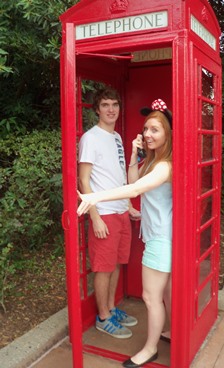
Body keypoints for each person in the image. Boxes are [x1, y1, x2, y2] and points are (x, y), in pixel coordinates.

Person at [77, 99, 173, 368]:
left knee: (151, 297)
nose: (148, 134)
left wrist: (92, 198)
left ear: (167, 134)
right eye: (146, 129)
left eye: (155, 129)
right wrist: (134, 154)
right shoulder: (155, 161)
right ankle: (172, 331)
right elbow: (132, 180)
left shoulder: (165, 165)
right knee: (164, 292)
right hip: (157, 234)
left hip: (160, 238)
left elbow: (132, 190)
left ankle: (150, 349)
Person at [78, 86, 140, 339]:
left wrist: (127, 204)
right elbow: (84, 180)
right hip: (103, 213)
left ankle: (112, 308)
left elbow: (116, 176)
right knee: (103, 267)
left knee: (116, 264)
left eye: (115, 104)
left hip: (120, 211)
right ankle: (103, 317)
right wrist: (94, 217)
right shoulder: (90, 138)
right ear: (96, 110)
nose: (111, 109)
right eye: (105, 105)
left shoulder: (116, 137)